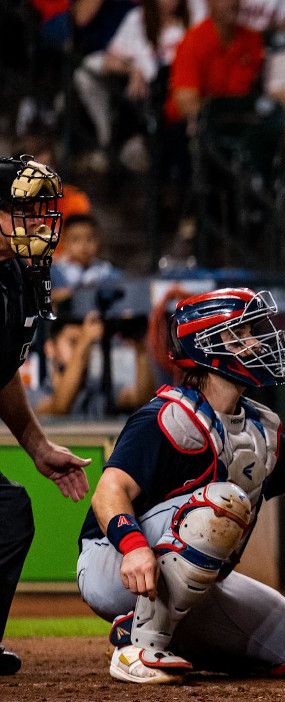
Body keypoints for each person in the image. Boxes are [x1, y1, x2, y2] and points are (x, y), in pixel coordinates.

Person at [75, 287, 285, 683]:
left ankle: (175, 638)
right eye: (243, 333)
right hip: (116, 565)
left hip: (192, 580)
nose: (257, 342)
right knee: (223, 504)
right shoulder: (166, 418)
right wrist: (132, 548)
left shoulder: (257, 428)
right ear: (207, 346)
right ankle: (138, 647)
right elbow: (109, 491)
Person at [0, 156, 93, 676]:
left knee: (8, 514)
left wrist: (36, 446)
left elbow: (3, 368)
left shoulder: (17, 273)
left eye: (42, 209)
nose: (39, 221)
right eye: (23, 209)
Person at [73, 0, 190, 168]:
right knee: (86, 70)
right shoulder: (136, 18)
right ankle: (108, 140)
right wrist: (132, 70)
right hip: (139, 100)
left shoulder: (191, 22)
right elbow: (104, 59)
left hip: (174, 97)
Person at [166, 0, 264, 124]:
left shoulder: (252, 39)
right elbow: (185, 104)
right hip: (193, 128)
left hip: (240, 124)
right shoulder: (192, 43)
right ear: (209, 3)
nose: (232, 3)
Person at [50, 214, 122, 303]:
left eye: (89, 239)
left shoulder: (108, 272)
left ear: (98, 240)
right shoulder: (53, 273)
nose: (84, 245)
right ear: (64, 242)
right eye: (76, 239)